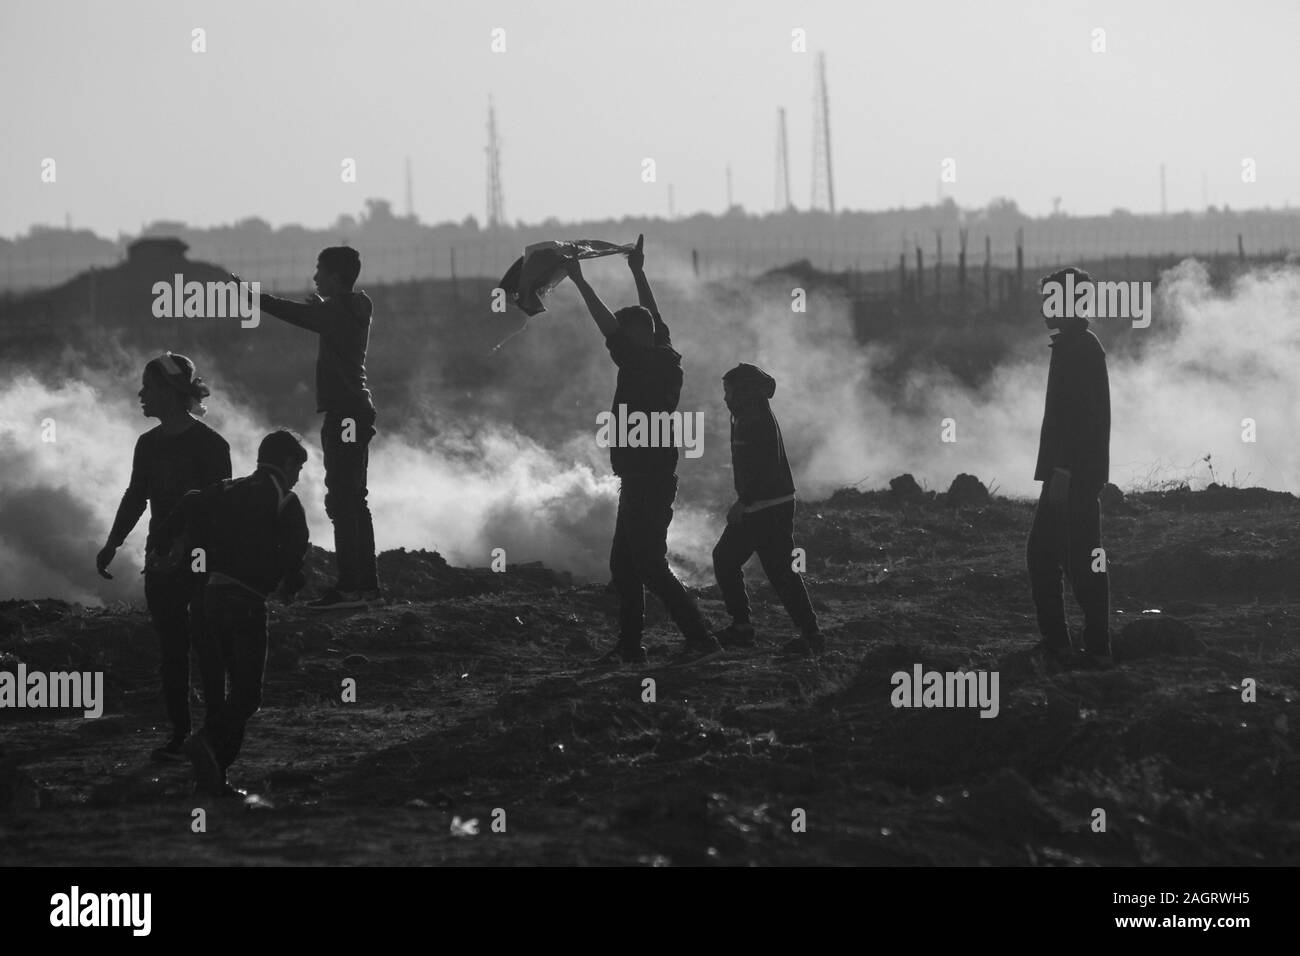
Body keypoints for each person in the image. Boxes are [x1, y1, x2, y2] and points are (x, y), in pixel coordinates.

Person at [565, 235, 721, 665]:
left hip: (646, 480)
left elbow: (607, 326)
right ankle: (631, 647)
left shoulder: (640, 365)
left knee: (648, 565)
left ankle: (700, 637)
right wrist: (637, 272)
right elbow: (652, 317)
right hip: (644, 477)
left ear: (635, 338)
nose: (621, 337)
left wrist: (578, 279)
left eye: (626, 332)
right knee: (625, 566)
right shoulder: (665, 354)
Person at [152, 430, 310, 797]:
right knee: (247, 695)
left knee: (219, 695)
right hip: (246, 603)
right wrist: (291, 584)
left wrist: (160, 540)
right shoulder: (285, 500)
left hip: (207, 601)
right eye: (298, 467)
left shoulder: (226, 488)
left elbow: (190, 501)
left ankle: (212, 781)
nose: (299, 475)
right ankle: (204, 744)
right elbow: (293, 557)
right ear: (287, 463)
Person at [97, 353, 231, 762]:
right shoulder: (148, 445)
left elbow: (219, 508)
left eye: (148, 387)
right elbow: (137, 495)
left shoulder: (211, 445)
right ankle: (181, 732)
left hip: (201, 561)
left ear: (171, 393)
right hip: (161, 561)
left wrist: (188, 546)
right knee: (173, 651)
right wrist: (114, 541)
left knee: (207, 646)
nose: (141, 395)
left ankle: (213, 730)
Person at [244, 246, 380, 610]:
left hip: (346, 415)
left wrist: (252, 298)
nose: (315, 277)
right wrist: (321, 307)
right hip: (357, 412)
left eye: (320, 271)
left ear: (336, 277)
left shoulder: (334, 311)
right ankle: (365, 585)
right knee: (354, 500)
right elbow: (325, 316)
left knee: (342, 501)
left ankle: (352, 586)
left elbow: (292, 313)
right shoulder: (353, 307)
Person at [1027, 266, 1112, 659]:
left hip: (1071, 476)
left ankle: (1073, 645)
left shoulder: (1077, 348)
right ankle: (1086, 645)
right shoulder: (1078, 344)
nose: (1044, 307)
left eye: (1050, 299)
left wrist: (1063, 473)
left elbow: (1081, 421)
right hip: (1075, 474)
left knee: (1060, 558)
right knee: (1073, 558)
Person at [711, 364, 824, 656]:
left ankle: (802, 634)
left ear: (744, 391)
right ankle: (755, 628)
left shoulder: (755, 420)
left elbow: (764, 468)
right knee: (755, 565)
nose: (725, 398)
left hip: (765, 508)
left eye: (729, 391)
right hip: (767, 505)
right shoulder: (750, 415)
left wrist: (744, 502)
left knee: (762, 567)